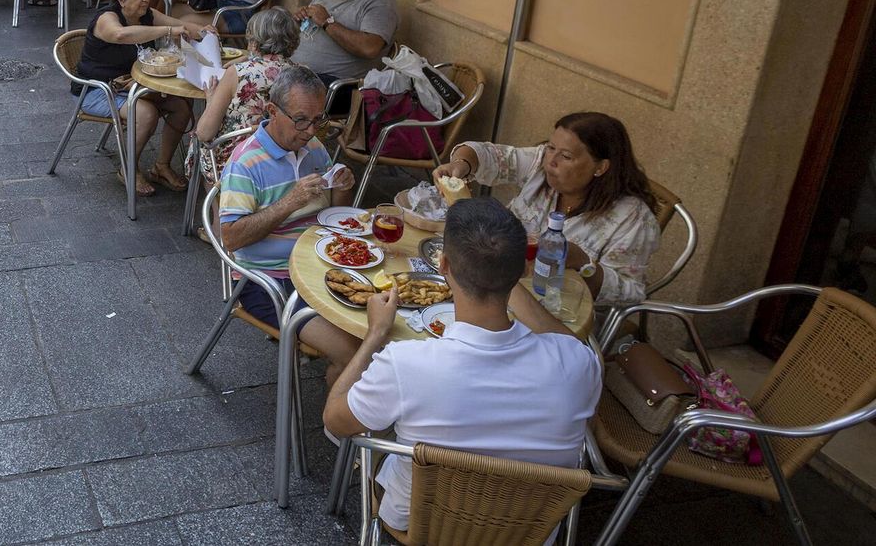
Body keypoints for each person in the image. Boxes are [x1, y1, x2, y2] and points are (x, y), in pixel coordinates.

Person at [323, 198, 600, 538]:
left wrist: (375, 334)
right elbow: (568, 341)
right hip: (527, 532)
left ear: (443, 264)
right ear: (524, 271)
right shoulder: (579, 363)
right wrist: (505, 280)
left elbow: (335, 420)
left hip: (420, 524)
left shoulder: (405, 363)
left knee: (378, 424)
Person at [219, 66, 361, 378]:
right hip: (269, 281)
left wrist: (342, 188)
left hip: (320, 266)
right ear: (272, 111)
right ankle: (339, 425)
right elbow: (231, 238)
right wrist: (290, 201)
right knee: (353, 352)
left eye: (317, 120)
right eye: (300, 120)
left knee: (381, 326)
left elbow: (334, 217)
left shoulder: (313, 147)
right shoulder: (245, 163)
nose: (310, 130)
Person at [434, 112, 661, 307]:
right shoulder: (542, 164)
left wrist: (583, 263)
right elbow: (487, 155)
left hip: (560, 310)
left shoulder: (632, 218)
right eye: (551, 148)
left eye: (566, 156)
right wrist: (461, 164)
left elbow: (630, 292)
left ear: (600, 167)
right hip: (494, 286)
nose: (551, 160)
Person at [74, 0, 211, 196]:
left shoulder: (147, 15)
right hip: (98, 89)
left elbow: (181, 25)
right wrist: (168, 30)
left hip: (134, 85)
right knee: (146, 113)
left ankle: (161, 166)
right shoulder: (107, 18)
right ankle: (128, 168)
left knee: (181, 107)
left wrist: (204, 31)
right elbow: (121, 35)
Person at [290, 0, 399, 111]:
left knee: (259, 87)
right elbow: (311, 25)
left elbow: (369, 48)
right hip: (299, 73)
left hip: (337, 87)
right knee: (245, 72)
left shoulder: (379, 2)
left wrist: (327, 22)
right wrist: (301, 18)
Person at [195, 8, 300, 175]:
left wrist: (210, 100)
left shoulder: (239, 73)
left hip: (239, 159)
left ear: (255, 41)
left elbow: (204, 133)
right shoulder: (301, 73)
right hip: (287, 154)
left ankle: (219, 199)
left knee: (200, 143)